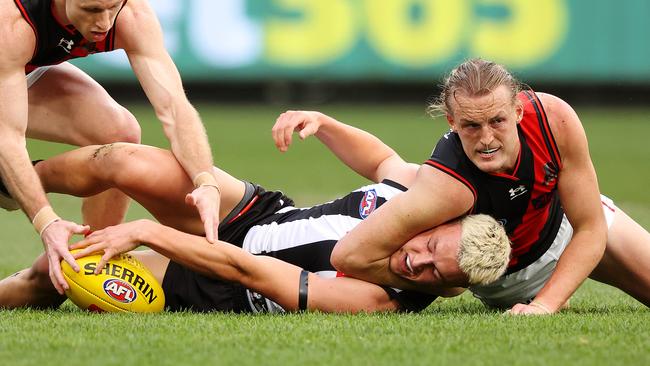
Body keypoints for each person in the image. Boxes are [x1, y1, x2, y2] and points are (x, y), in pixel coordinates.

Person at [0, 111, 511, 313]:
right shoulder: (420, 202)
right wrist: (324, 123)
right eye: (429, 250)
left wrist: (143, 232)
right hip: (259, 214)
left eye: (433, 274)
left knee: (61, 271)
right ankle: (12, 180)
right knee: (123, 159)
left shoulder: (380, 298)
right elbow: (383, 161)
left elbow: (241, 267)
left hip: (223, 279)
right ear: (444, 224)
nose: (416, 262)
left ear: (451, 287)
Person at [330, 58, 650, 314]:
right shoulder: (444, 183)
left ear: (518, 111)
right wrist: (448, 286)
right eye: (471, 125)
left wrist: (545, 304)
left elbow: (591, 228)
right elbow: (349, 256)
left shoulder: (554, 121)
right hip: (509, 281)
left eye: (497, 121)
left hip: (566, 226)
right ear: (452, 123)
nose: (486, 139)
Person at [0, 0, 221, 295]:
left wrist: (205, 182)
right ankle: (12, 184)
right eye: (92, 10)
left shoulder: (131, 14)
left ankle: (91, 262)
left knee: (120, 132)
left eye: (112, 7)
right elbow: (8, 138)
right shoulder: (13, 21)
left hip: (13, 73)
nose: (104, 23)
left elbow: (175, 107)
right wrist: (47, 222)